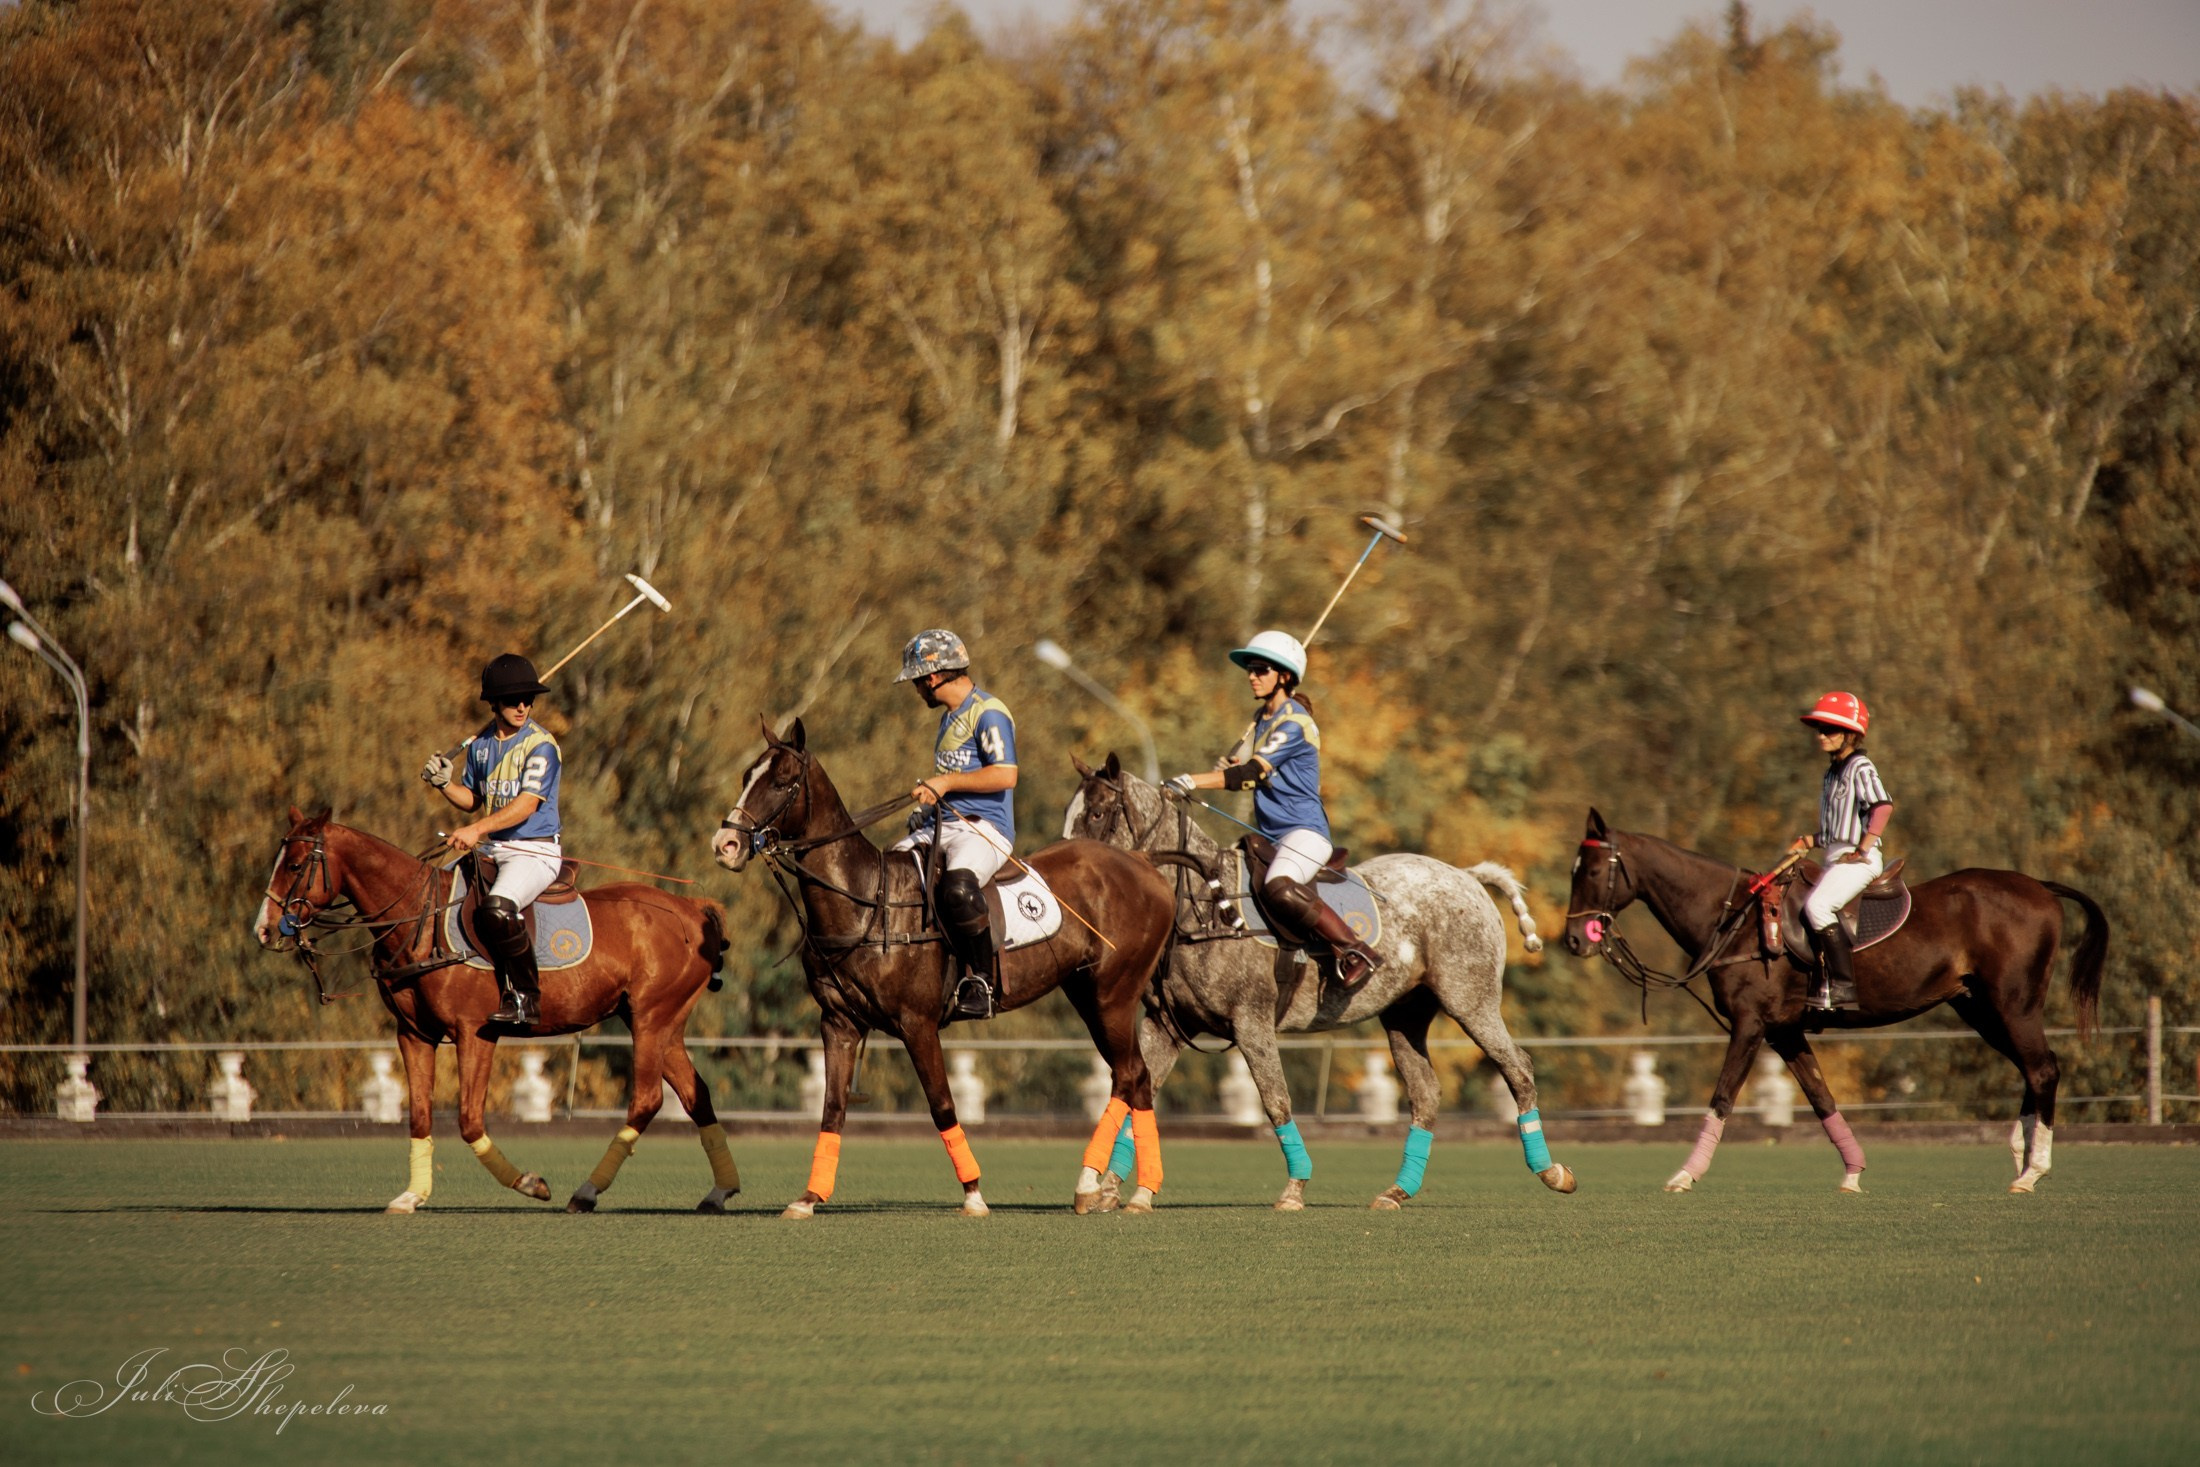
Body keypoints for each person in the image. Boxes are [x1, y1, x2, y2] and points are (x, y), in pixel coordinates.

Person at [1162, 630, 1381, 987]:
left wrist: (1192, 779)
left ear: (1285, 676)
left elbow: (1253, 773)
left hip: (1304, 832)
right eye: (1250, 668)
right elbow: (1253, 774)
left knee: (1279, 884)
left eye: (1261, 669)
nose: (1252, 675)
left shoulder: (1295, 723)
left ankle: (1354, 949)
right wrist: (1235, 767)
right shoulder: (1262, 720)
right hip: (1271, 835)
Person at [419, 654, 564, 1026]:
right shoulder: (482, 746)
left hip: (534, 850)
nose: (523, 706)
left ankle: (526, 999)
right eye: (515, 698)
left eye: (529, 698)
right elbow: (473, 801)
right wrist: (444, 785)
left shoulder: (541, 745)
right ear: (494, 703)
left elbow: (526, 806)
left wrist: (476, 831)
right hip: (492, 849)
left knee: (498, 908)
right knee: (428, 894)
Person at [892, 629, 1018, 1020]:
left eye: (916, 681)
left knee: (958, 889)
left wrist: (944, 783)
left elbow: (1005, 775)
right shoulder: (950, 719)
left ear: (932, 678)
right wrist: (928, 809)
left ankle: (980, 982)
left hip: (985, 828)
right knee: (889, 873)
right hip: (944, 824)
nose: (917, 690)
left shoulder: (988, 712)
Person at [1784, 691, 1893, 1010]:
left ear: (1851, 735)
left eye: (1829, 729)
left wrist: (1862, 849)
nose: (1821, 735)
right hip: (1835, 859)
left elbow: (1882, 807)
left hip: (1860, 861)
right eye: (1819, 728)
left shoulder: (1860, 766)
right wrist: (1809, 841)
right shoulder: (1831, 774)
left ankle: (1843, 987)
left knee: (1817, 907)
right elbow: (1837, 830)